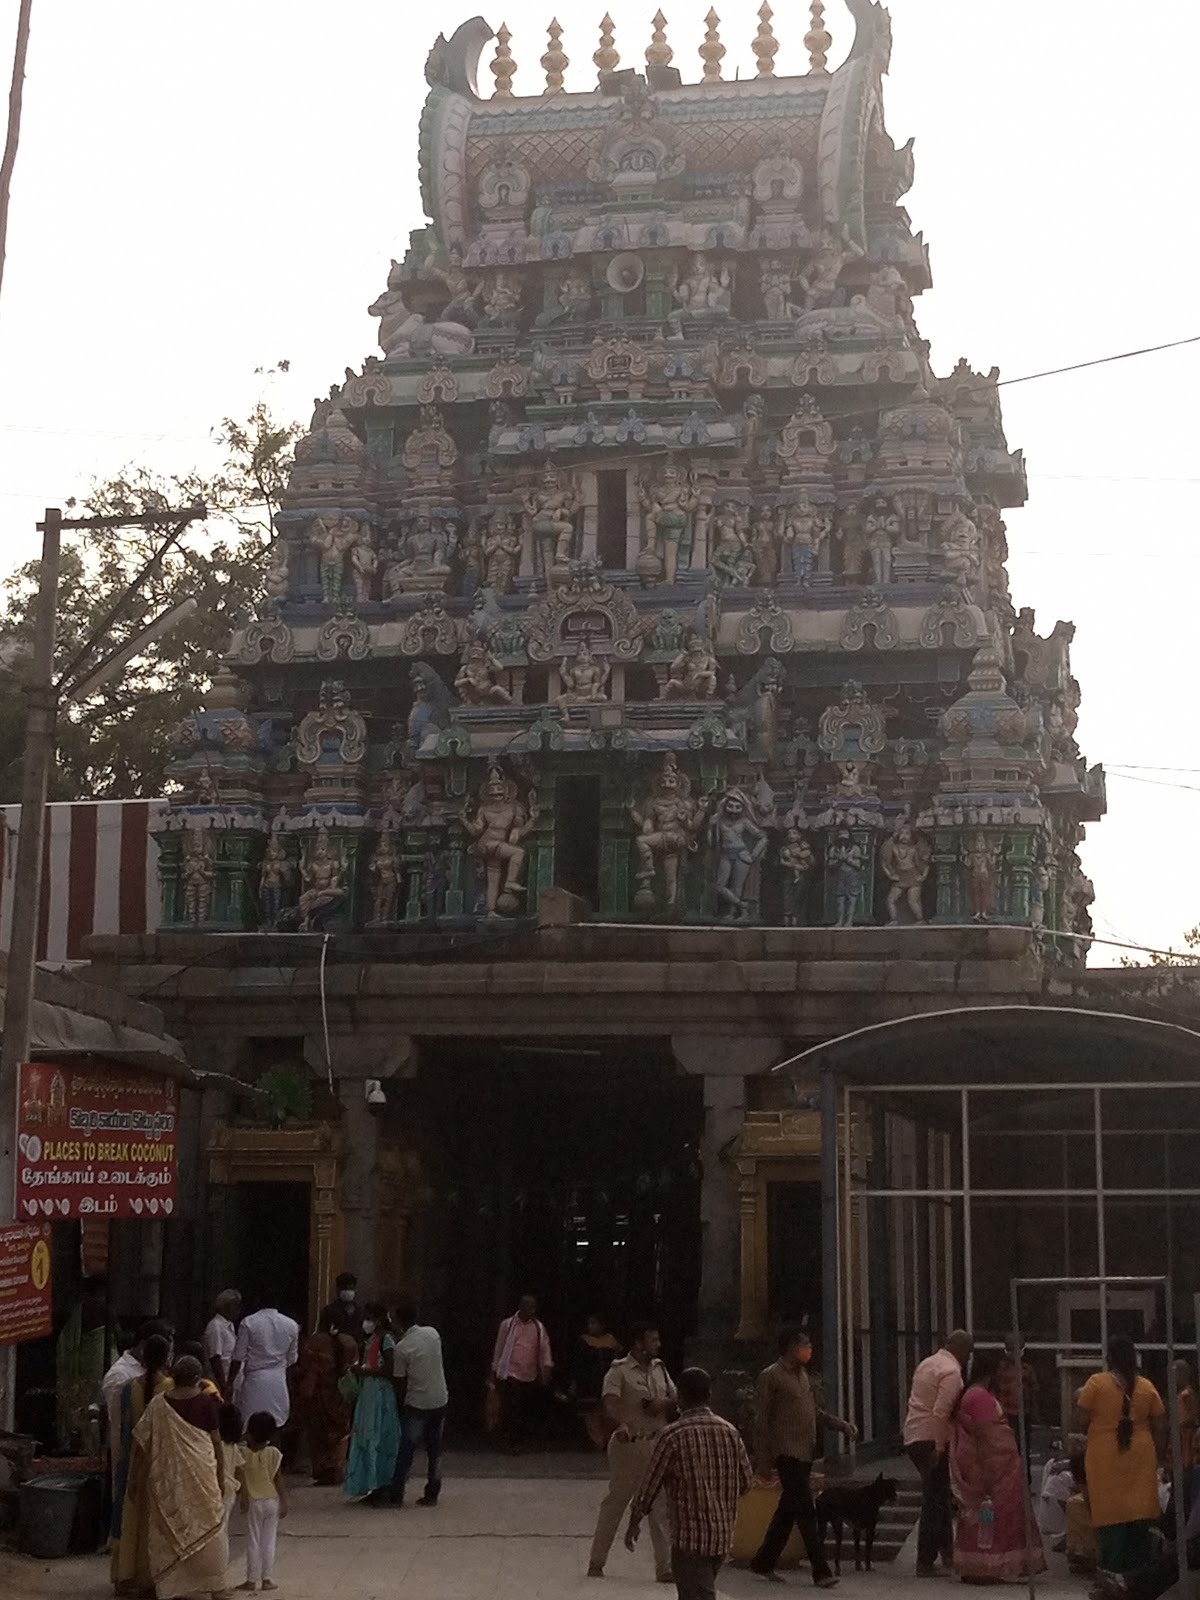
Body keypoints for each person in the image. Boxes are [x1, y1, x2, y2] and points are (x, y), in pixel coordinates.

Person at [626, 1366, 752, 1600]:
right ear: (709, 1395)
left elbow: (649, 1486)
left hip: (689, 1541)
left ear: (679, 1398)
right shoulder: (730, 1432)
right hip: (721, 1539)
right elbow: (746, 1482)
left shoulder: (672, 1436)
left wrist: (634, 1521)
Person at [749, 1326, 857, 1588]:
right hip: (786, 1452)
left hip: (805, 1451)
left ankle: (763, 1561)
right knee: (806, 1510)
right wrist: (763, 1460)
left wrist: (841, 1425)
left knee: (788, 1510)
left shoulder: (803, 1376)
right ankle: (820, 1570)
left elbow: (814, 1412)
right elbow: (761, 1420)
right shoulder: (771, 1376)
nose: (809, 1349)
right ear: (791, 1347)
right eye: (804, 1344)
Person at [127, 1354, 231, 1600]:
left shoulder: (157, 1404)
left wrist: (134, 1479)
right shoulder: (205, 1403)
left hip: (166, 1482)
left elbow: (140, 1446)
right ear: (197, 1378)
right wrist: (220, 1475)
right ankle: (217, 1587)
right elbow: (216, 1443)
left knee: (166, 1531)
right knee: (210, 1526)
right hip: (202, 1477)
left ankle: (170, 1588)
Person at [588, 1320, 678, 1582]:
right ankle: (597, 1561)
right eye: (653, 1340)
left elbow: (675, 1398)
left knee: (660, 1505)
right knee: (617, 1502)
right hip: (629, 1446)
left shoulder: (660, 1369)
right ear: (639, 1343)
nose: (658, 1344)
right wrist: (621, 1425)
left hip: (657, 1443)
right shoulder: (619, 1371)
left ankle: (665, 1567)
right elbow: (609, 1404)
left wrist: (662, 1404)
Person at [949, 1348, 1047, 1583]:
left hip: (981, 1463)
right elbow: (988, 1436)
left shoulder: (970, 1395)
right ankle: (988, 1566)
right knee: (997, 1517)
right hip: (994, 1468)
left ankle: (977, 1565)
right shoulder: (980, 1397)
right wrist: (995, 1469)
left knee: (981, 1518)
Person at [1078, 1336, 1167, 1574]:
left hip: (1105, 1455)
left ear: (1109, 1358)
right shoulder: (1147, 1386)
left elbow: (1081, 1421)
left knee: (1110, 1518)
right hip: (1141, 1455)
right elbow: (1160, 1425)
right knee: (1139, 1517)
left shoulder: (1096, 1383)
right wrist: (1158, 1458)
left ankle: (1112, 1576)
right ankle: (1137, 1579)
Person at [904, 1329, 974, 1577]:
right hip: (931, 1438)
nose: (968, 1359)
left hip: (914, 1435)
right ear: (962, 1350)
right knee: (934, 1500)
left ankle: (947, 1553)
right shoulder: (951, 1372)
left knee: (940, 1496)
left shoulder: (927, 1363)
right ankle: (925, 1560)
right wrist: (940, 1446)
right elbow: (940, 1412)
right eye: (968, 1353)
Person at [111, 1332, 174, 1594]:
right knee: (157, 1523)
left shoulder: (129, 1388)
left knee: (130, 1520)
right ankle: (153, 1578)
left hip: (133, 1463)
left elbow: (123, 1431)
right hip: (162, 1465)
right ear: (167, 1357)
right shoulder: (171, 1388)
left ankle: (125, 1576)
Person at [388, 1300, 449, 1507]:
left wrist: (400, 1405)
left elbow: (399, 1381)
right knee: (435, 1449)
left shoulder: (401, 1348)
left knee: (406, 1449)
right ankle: (433, 1492)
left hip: (418, 1402)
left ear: (398, 1322)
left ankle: (396, 1494)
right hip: (439, 1398)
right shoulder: (432, 1334)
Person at [346, 1302, 401, 1502]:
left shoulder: (386, 1340)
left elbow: (389, 1369)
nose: (365, 1322)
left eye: (369, 1318)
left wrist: (365, 1372)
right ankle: (371, 1485)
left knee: (377, 1436)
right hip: (369, 1392)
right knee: (367, 1436)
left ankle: (382, 1485)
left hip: (380, 1393)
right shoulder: (372, 1339)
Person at [292, 1327, 356, 1486]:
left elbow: (307, 1368)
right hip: (340, 1394)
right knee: (341, 1433)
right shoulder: (349, 1342)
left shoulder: (314, 1343)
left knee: (319, 1434)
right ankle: (338, 1469)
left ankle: (325, 1472)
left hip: (319, 1395)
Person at [491, 1294, 553, 1453]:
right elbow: (500, 1347)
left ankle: (521, 1440)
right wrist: (495, 1368)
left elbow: (544, 1348)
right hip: (511, 1372)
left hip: (530, 1374)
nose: (532, 1311)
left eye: (534, 1308)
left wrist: (547, 1367)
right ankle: (513, 1442)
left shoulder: (539, 1327)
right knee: (513, 1407)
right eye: (529, 1307)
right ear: (521, 1307)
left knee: (525, 1409)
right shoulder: (508, 1325)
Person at [235, 1411, 287, 1593]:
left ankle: (251, 1579)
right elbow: (278, 1480)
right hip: (272, 1499)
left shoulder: (242, 1454)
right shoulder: (274, 1453)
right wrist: (284, 1500)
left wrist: (243, 1497)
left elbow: (241, 1480)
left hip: (253, 1501)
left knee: (253, 1540)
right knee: (269, 1540)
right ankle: (267, 1579)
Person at [229, 1303, 300, 1429]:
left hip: (254, 1382)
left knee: (250, 1425)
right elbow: (292, 1360)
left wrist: (229, 1384)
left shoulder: (249, 1322)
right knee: (277, 1424)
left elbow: (238, 1357)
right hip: (278, 1382)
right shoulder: (291, 1325)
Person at [573, 1314, 622, 1451]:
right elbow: (579, 1363)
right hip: (589, 1382)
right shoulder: (583, 1341)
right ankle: (597, 1441)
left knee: (607, 1412)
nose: (591, 1326)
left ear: (602, 1325)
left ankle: (608, 1440)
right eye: (589, 1324)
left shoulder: (611, 1341)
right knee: (591, 1414)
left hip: (607, 1381)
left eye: (594, 1323)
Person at [995, 1335, 1038, 1475]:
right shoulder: (1001, 1369)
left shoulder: (1026, 1369)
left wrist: (1033, 1412)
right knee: (1008, 1448)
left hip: (1022, 1414)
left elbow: (1033, 1391)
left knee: (1022, 1449)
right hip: (1005, 1414)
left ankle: (1023, 1478)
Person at [203, 1291, 242, 1396]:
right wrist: (224, 1385)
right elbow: (215, 1357)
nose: (238, 1311)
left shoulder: (230, 1326)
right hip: (220, 1383)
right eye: (235, 1306)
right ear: (226, 1307)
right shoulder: (216, 1327)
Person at [318, 1272, 362, 1342]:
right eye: (344, 1288)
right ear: (338, 1290)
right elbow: (322, 1336)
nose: (347, 1291)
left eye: (350, 1288)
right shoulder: (329, 1311)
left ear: (355, 1289)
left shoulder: (360, 1311)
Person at [218, 1404, 244, 1526]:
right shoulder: (233, 1447)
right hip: (230, 1492)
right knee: (224, 1526)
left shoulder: (214, 1446)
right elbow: (239, 1470)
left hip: (217, 1490)